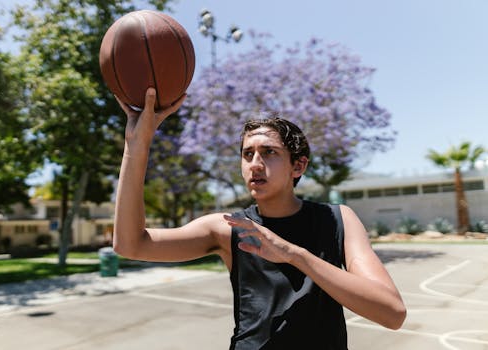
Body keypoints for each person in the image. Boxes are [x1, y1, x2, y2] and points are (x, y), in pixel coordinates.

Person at [113, 88, 406, 349]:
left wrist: (293, 254)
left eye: (269, 152)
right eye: (247, 154)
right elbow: (131, 245)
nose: (255, 164)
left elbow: (392, 312)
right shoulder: (227, 228)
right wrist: (136, 146)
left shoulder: (337, 219)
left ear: (298, 165)